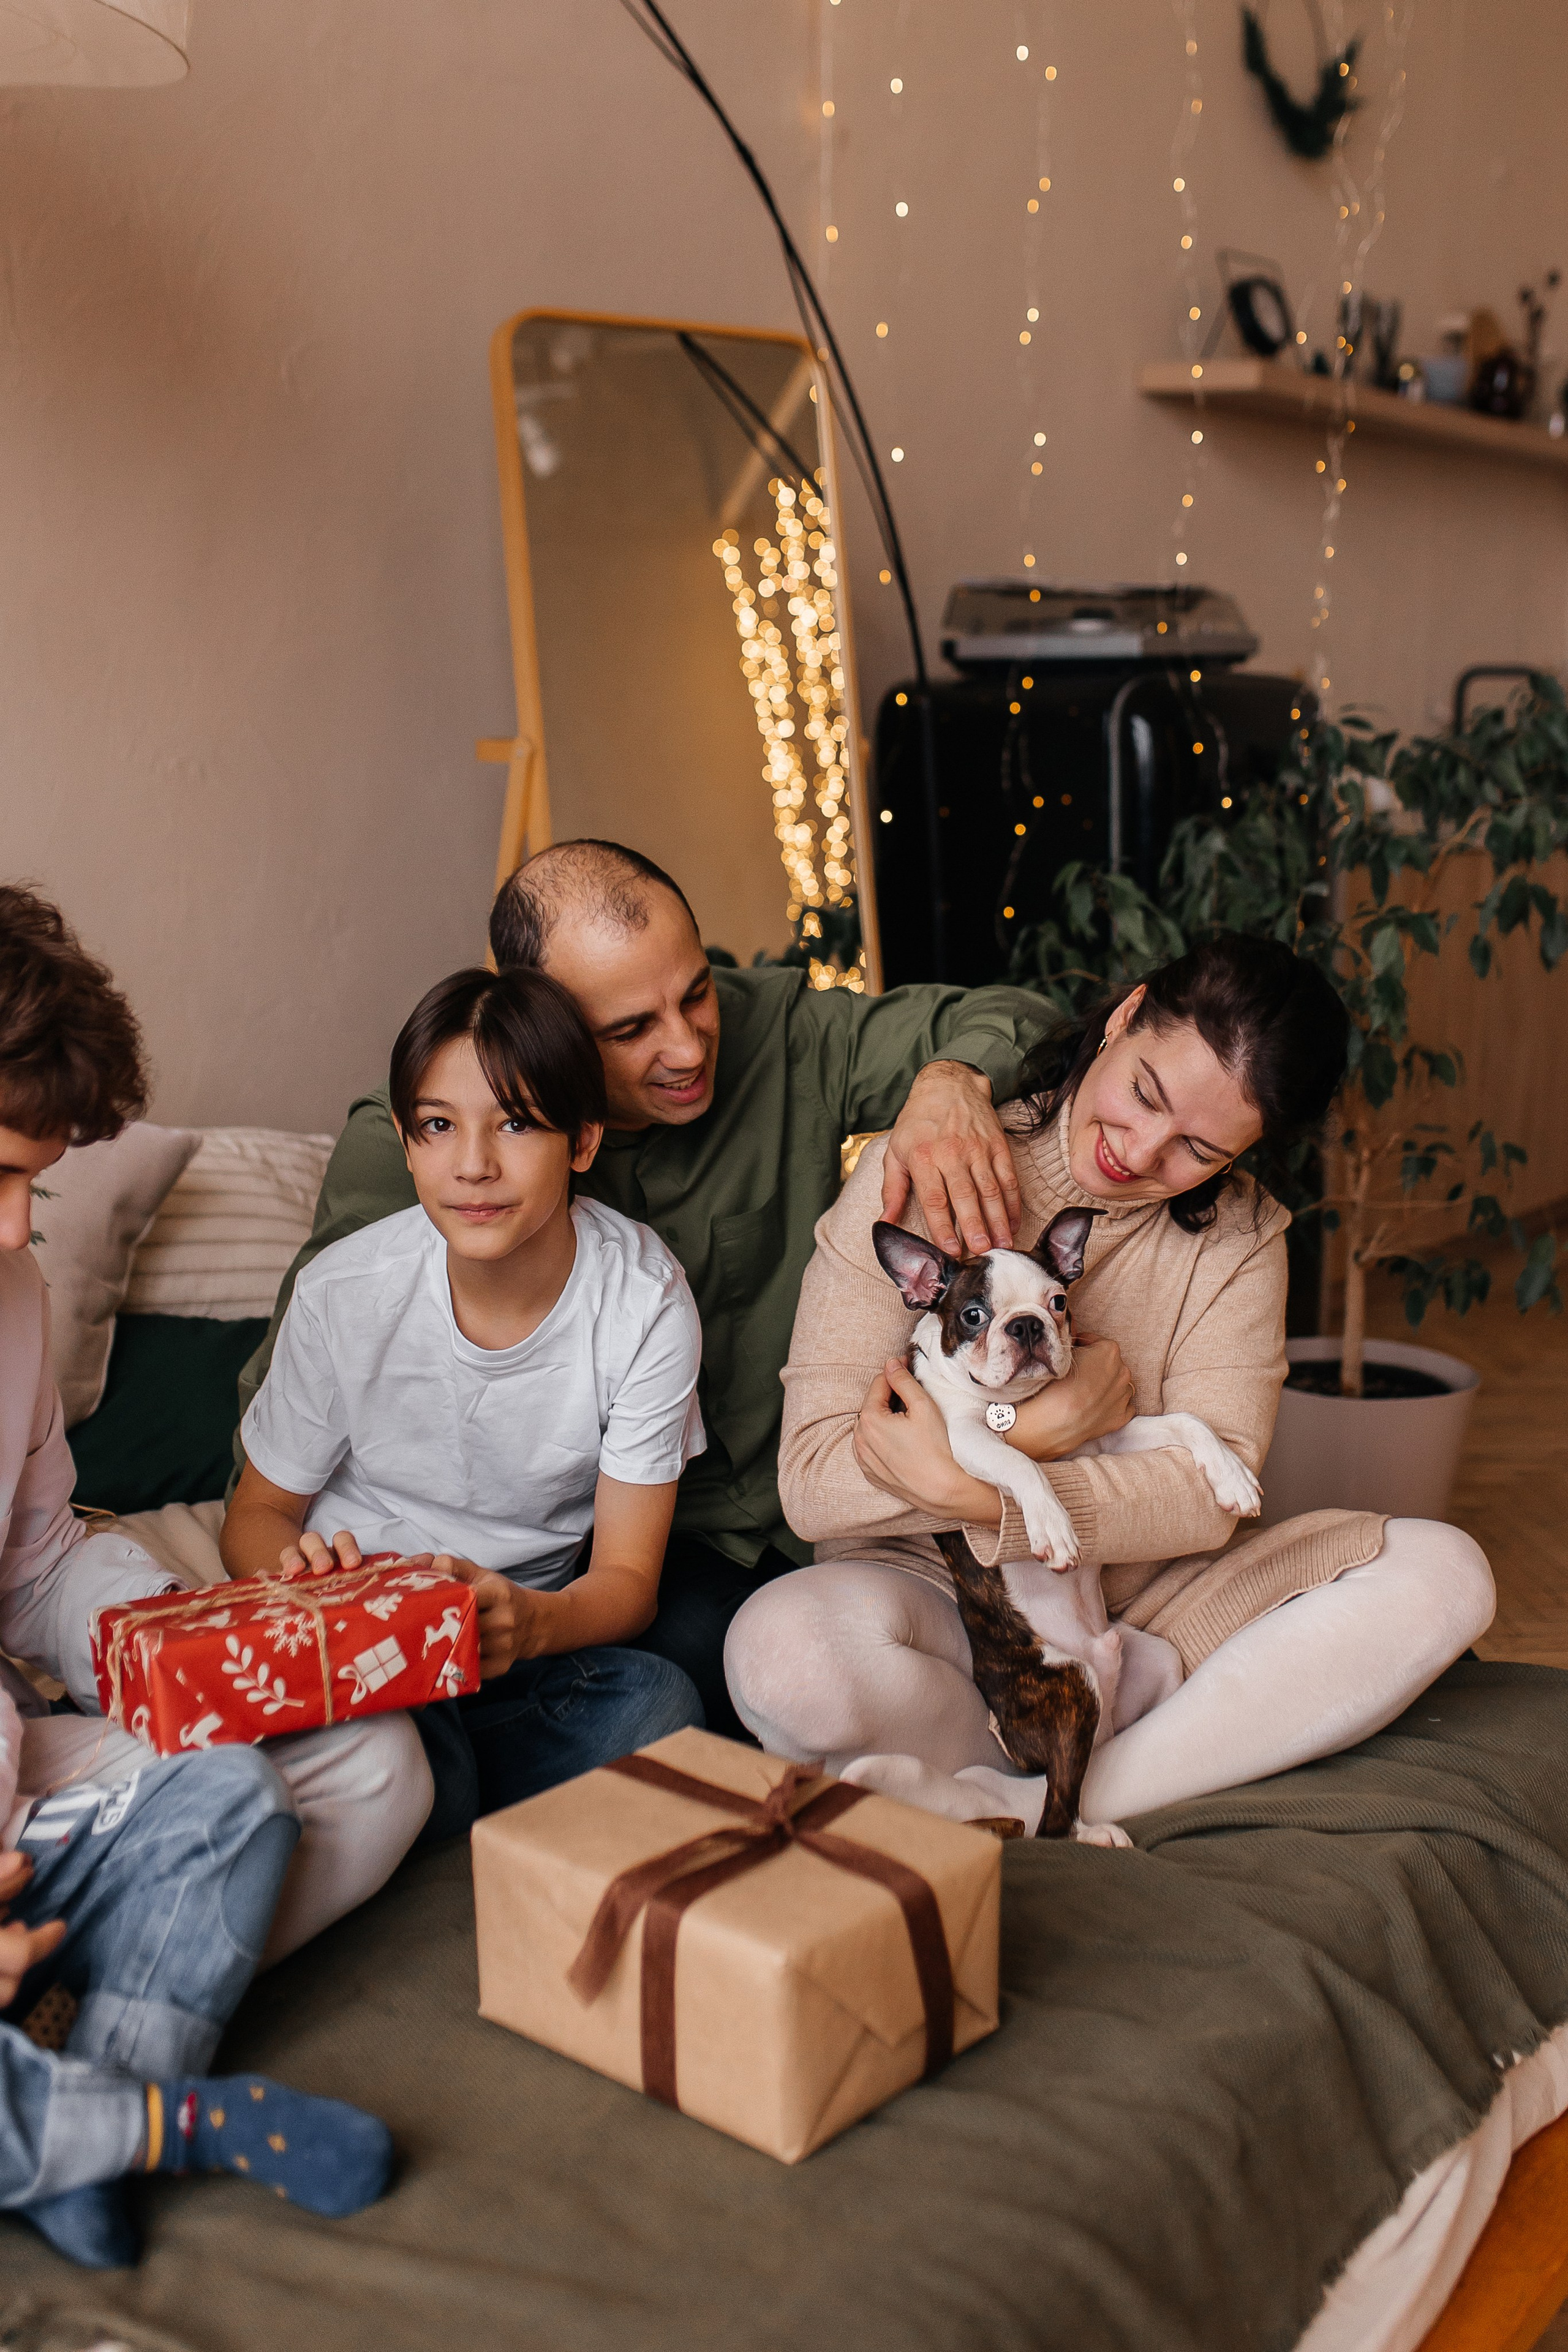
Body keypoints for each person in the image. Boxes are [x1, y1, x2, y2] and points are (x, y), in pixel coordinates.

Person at [235, 840, 1055, 1735]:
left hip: (790, 1517)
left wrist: (949, 1080)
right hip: (592, 1556)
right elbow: (283, 1430)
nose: (686, 1043)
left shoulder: (779, 1037)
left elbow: (1019, 1010)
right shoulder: (431, 1159)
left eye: (696, 991)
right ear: (537, 1026)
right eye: (630, 1030)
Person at [725, 933, 1497, 1834]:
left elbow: (1208, 1499)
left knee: (1448, 1575)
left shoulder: (1241, 1241)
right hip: (939, 1597)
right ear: (1126, 1016)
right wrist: (1016, 1449)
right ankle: (1162, 1755)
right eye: (1143, 1094)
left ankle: (1038, 1797)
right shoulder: (928, 1168)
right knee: (780, 1656)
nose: (1140, 1152)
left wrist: (963, 1480)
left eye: (1199, 1150)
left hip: (1155, 1610)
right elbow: (814, 1485)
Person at [0, 886, 397, 2267]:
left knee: (354, 1763)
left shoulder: (12, 1298)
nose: (12, 1231)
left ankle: (72, 2091)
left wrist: (197, 1640)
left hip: (19, 1792)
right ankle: (119, 2118)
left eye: (31, 1190)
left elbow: (39, 1556)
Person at [222, 965, 703, 1823]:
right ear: (406, 1143)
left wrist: (532, 1624)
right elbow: (254, 1517)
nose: (473, 1166)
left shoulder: (645, 1302)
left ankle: (431, 1804)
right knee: (407, 1746)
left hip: (512, 1655)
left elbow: (628, 1580)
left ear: (584, 1141)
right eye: (438, 1127)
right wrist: (311, 1589)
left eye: (516, 1124)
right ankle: (424, 1792)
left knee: (659, 1705)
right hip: (365, 1650)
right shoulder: (346, 1291)